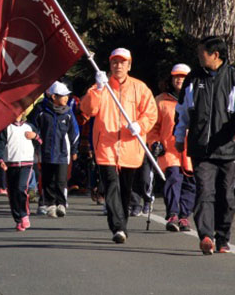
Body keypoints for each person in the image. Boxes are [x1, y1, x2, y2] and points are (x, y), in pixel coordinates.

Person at [174, 36, 235, 255]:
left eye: (202, 52)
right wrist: (179, 136)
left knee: (226, 197)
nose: (199, 56)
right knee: (204, 192)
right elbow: (183, 110)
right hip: (200, 149)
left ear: (215, 55)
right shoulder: (193, 79)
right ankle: (206, 236)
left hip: (228, 149)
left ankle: (222, 238)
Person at [80, 48, 158, 244]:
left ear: (129, 65)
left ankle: (121, 225)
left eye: (122, 62)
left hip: (131, 147)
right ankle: (118, 227)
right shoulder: (101, 87)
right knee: (111, 185)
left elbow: (150, 113)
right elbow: (88, 109)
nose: (118, 66)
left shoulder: (140, 88)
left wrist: (139, 125)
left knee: (125, 189)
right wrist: (97, 89)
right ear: (110, 64)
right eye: (115, 62)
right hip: (106, 147)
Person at [148, 64, 196, 233]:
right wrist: (154, 143)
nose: (179, 80)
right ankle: (173, 215)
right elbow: (152, 127)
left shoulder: (197, 98)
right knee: (174, 178)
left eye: (183, 77)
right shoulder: (160, 100)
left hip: (191, 150)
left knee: (190, 183)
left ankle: (184, 216)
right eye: (176, 76)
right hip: (169, 149)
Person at [29, 81, 80, 218]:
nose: (66, 98)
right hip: (45, 151)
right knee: (47, 179)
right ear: (54, 97)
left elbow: (74, 132)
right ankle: (50, 204)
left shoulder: (68, 112)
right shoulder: (41, 110)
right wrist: (34, 141)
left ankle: (61, 204)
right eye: (63, 96)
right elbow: (32, 126)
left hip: (63, 152)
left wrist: (75, 150)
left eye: (67, 96)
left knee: (61, 180)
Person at [0, 113, 41, 231]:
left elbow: (40, 142)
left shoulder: (29, 127)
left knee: (21, 188)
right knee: (13, 192)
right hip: (10, 163)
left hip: (27, 163)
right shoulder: (6, 128)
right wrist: (0, 160)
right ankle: (18, 219)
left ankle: (25, 215)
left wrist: (35, 136)